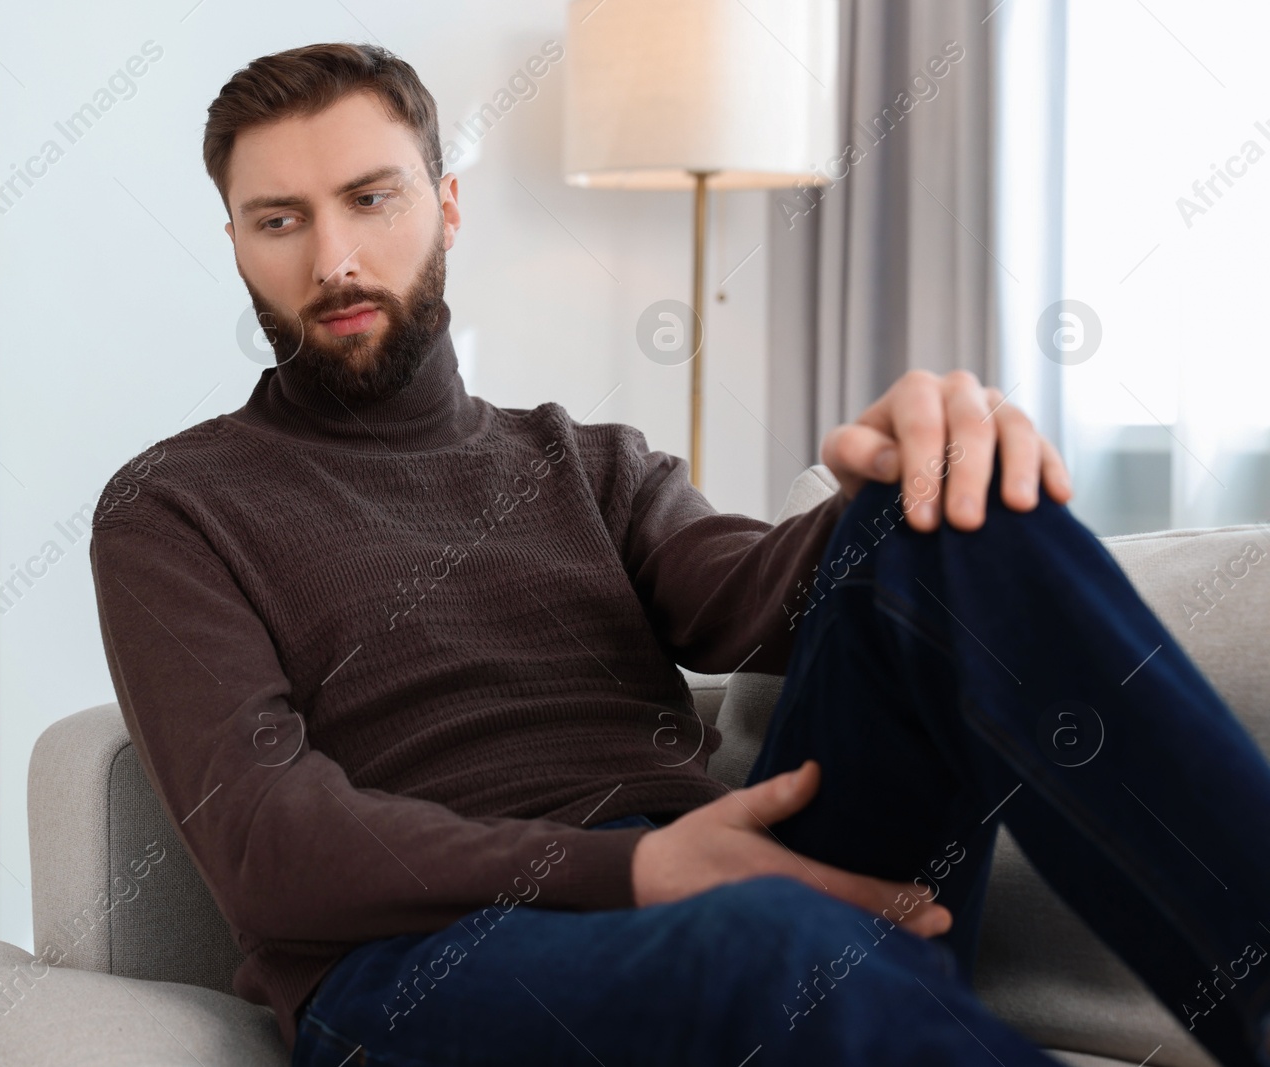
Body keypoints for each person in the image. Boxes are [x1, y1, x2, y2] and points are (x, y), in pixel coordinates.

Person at [87, 42, 1270, 1067]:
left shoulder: (580, 459)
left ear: (446, 207)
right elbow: (265, 846)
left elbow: (755, 595)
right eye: (279, 220)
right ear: (237, 245)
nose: (334, 257)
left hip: (711, 873)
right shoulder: (173, 505)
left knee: (952, 508)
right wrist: (637, 872)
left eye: (371, 198)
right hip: (418, 964)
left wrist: (897, 477)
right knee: (766, 940)